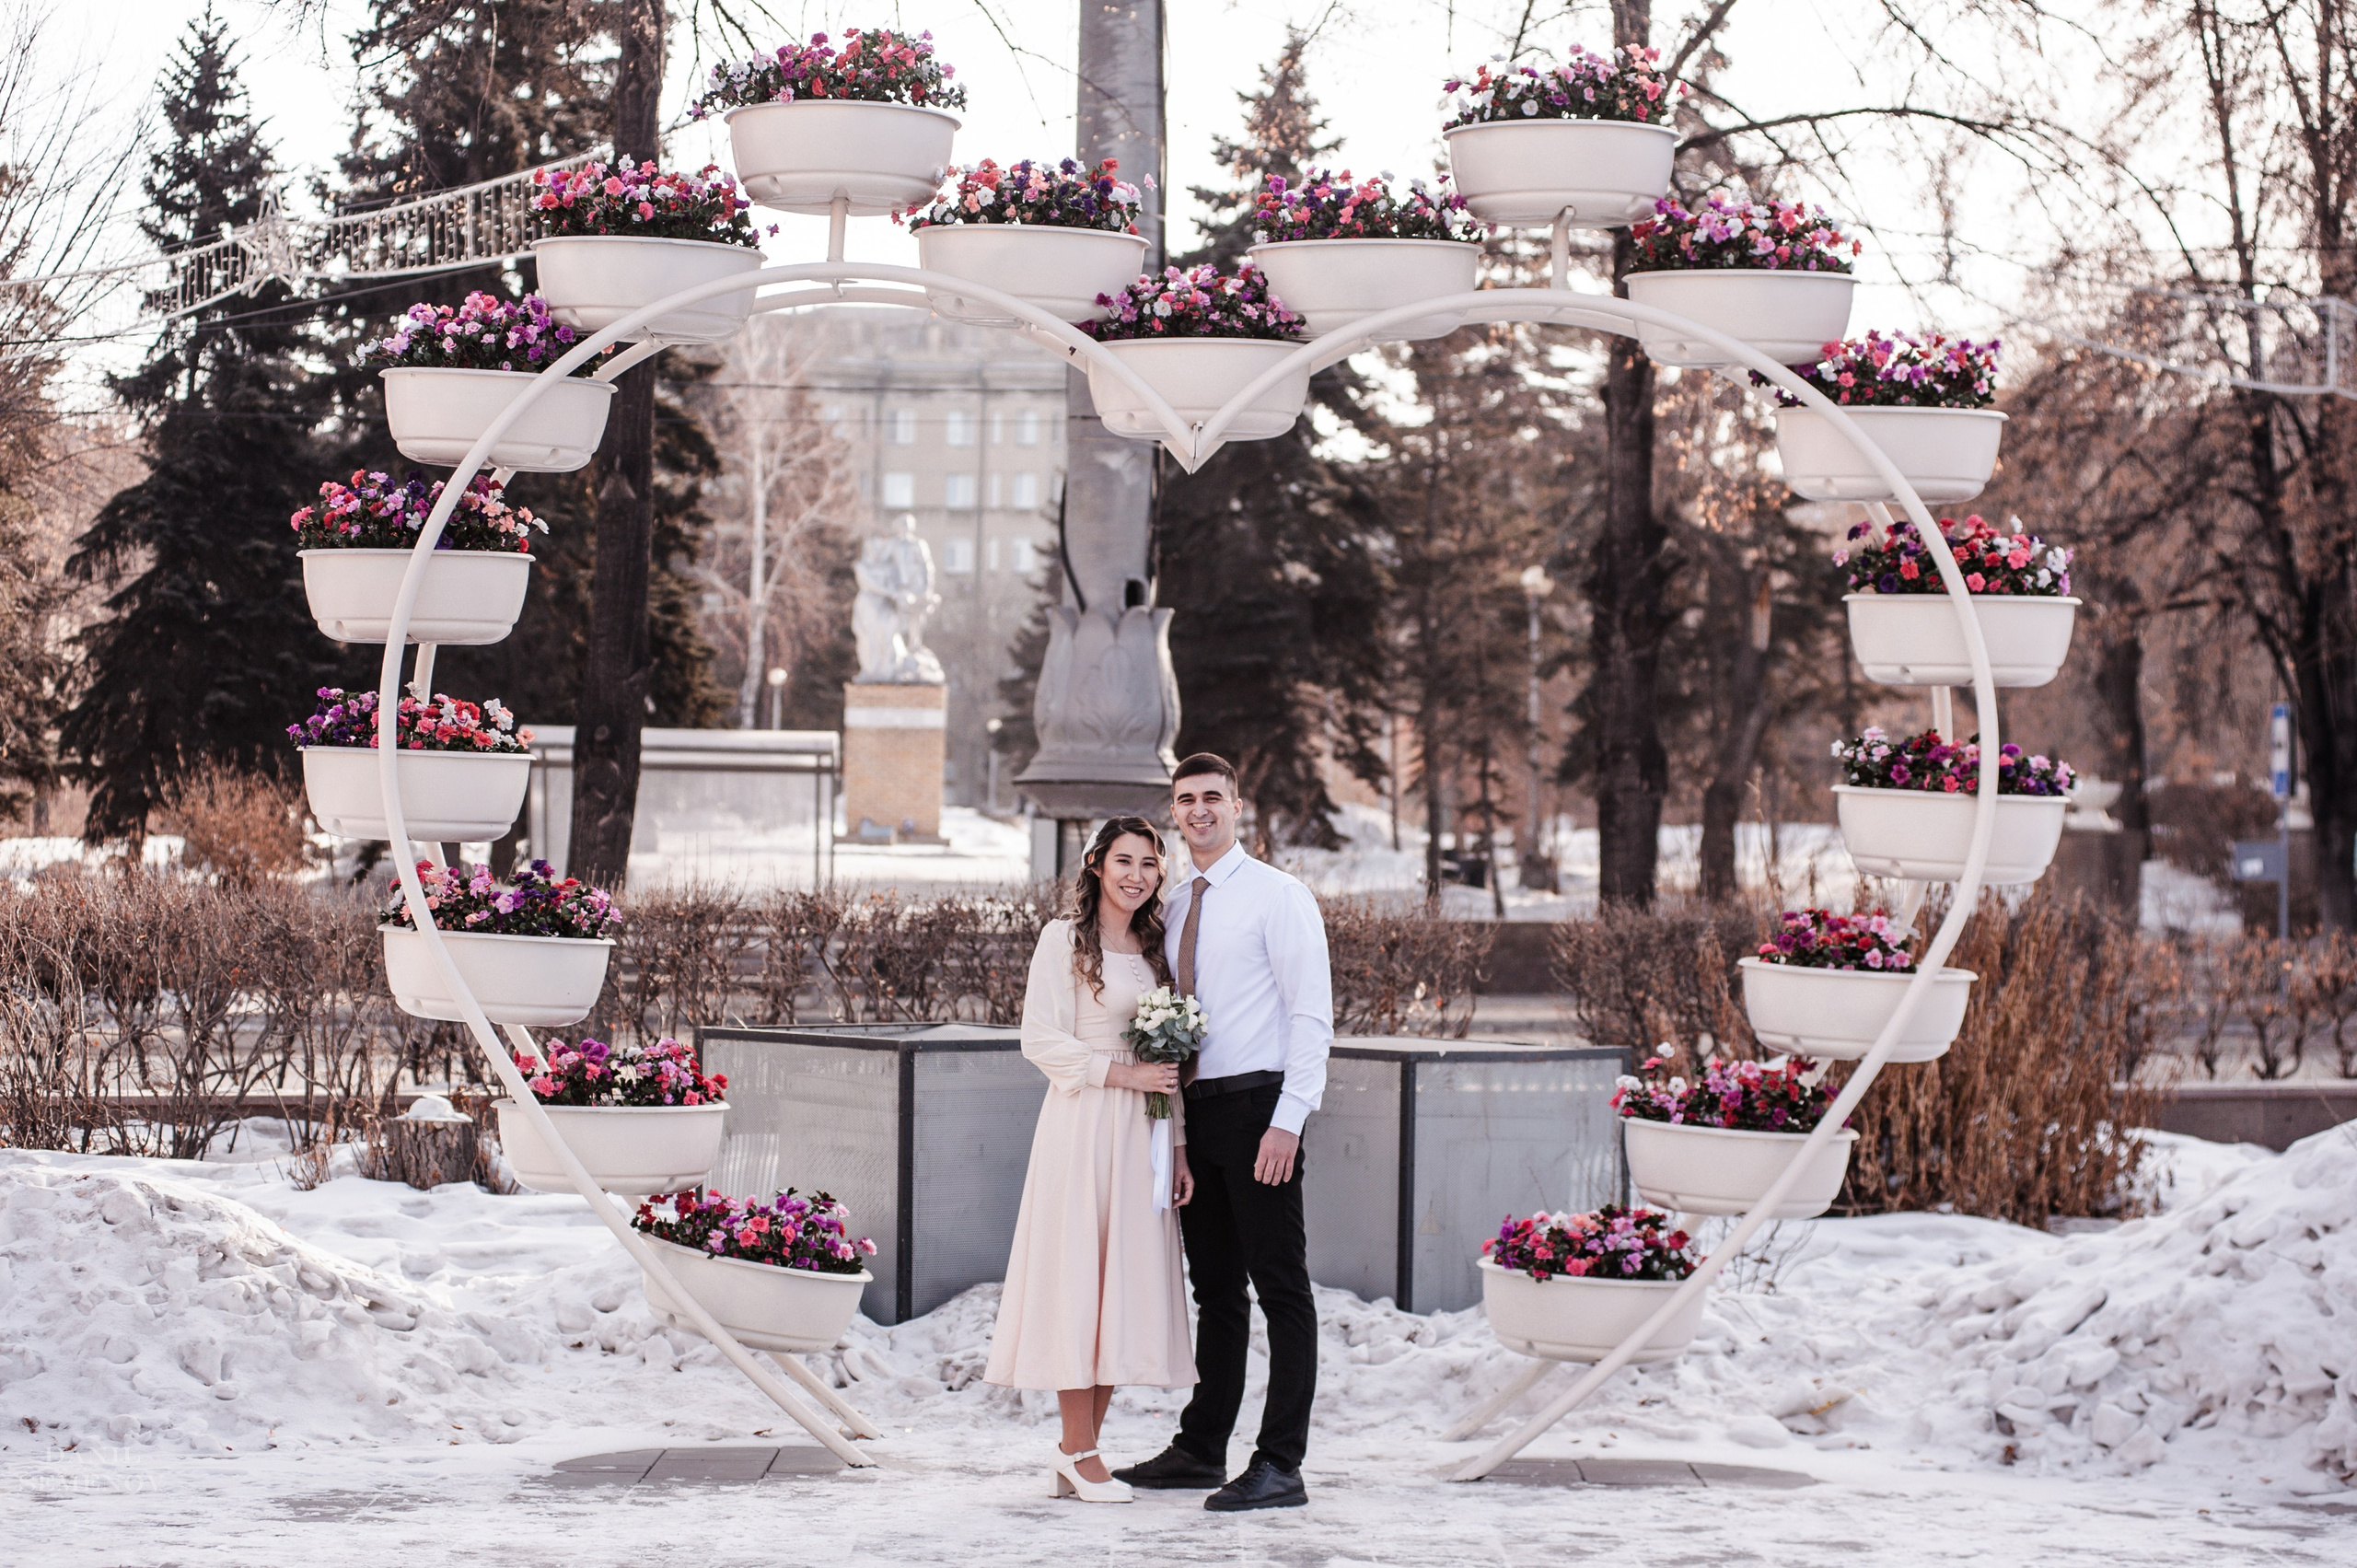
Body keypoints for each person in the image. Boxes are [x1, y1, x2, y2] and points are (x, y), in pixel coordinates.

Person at [1115, 753, 1334, 1513]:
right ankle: (1203, 1446)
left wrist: (1289, 1120)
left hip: (1257, 1112)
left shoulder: (1280, 896)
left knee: (1281, 1287)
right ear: (1174, 812)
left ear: (1238, 805)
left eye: (1212, 796)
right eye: (1186, 799)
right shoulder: (1173, 905)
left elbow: (1311, 1015)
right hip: (1197, 1115)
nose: (1198, 810)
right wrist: (1172, 1134)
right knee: (1216, 1290)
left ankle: (1281, 1462)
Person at [984, 817, 1196, 1504]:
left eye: (1149, 864)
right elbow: (1038, 1039)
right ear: (1098, 863)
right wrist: (1121, 1076)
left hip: (1144, 1132)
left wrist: (1177, 1142)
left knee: (1118, 1284)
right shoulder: (1063, 940)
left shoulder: (1156, 950)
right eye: (1124, 860)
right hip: (1082, 1125)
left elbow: (1163, 1063)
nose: (1137, 874)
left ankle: (1080, 1451)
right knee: (1080, 1275)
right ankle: (1080, 1449)